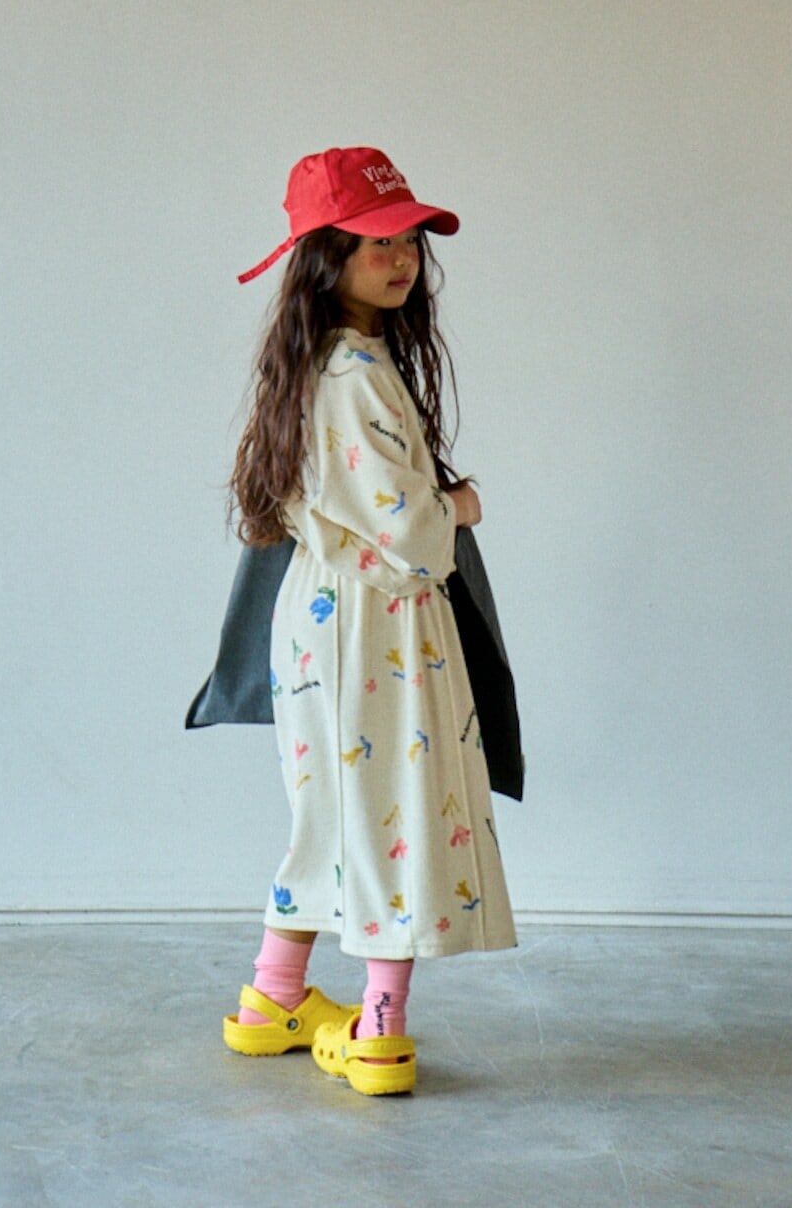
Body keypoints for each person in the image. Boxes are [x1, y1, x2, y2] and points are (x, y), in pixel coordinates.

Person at [221, 147, 517, 1097]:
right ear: (327, 257)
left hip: (333, 618)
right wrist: (459, 507)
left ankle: (273, 997)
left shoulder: (333, 362)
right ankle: (381, 1027)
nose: (402, 259)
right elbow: (411, 536)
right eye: (376, 242)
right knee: (400, 810)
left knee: (336, 812)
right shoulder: (351, 373)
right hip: (374, 626)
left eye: (408, 241)